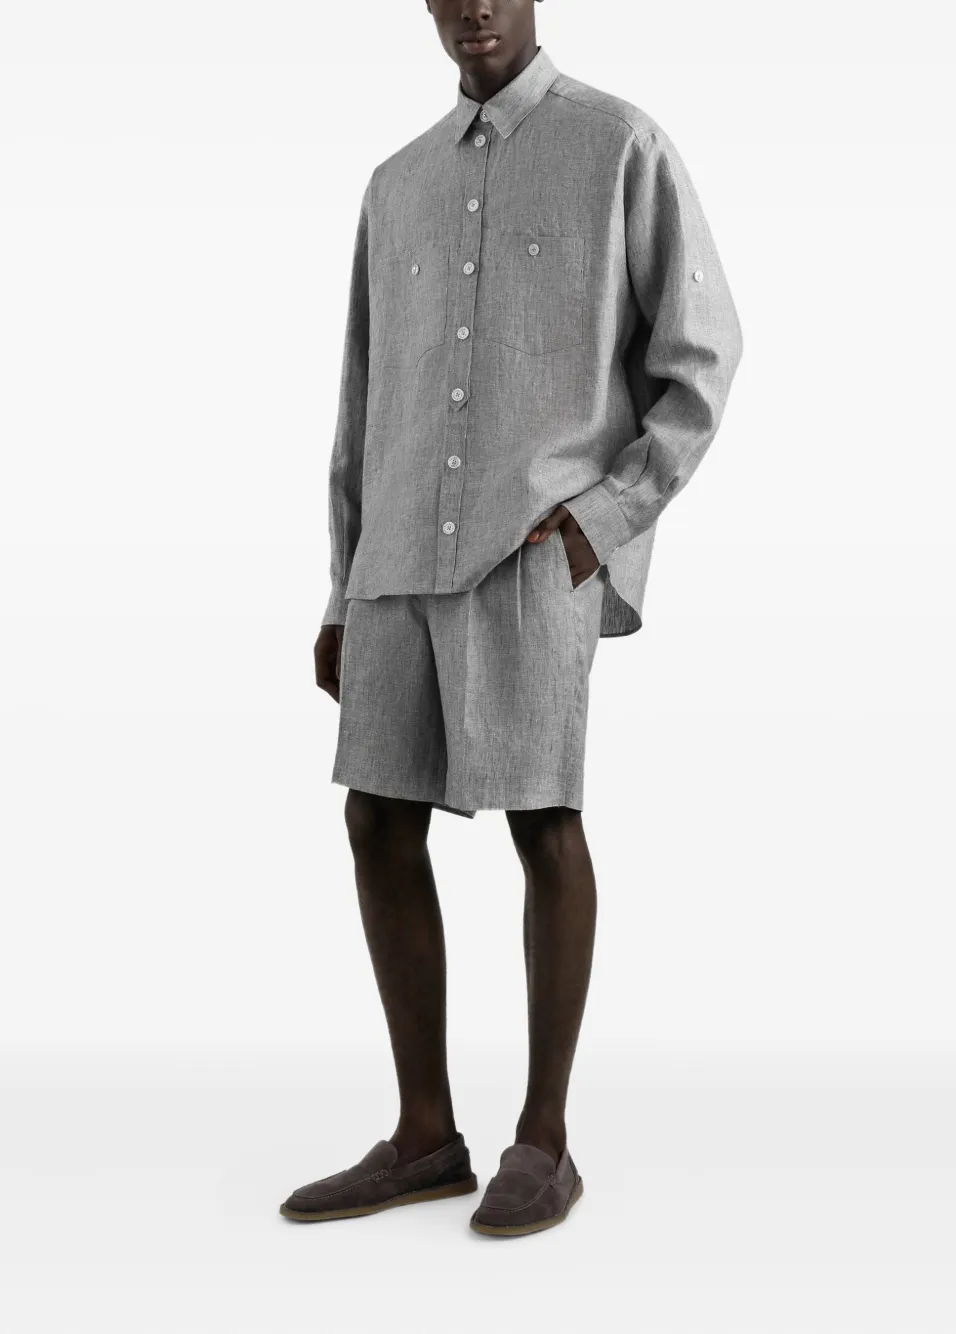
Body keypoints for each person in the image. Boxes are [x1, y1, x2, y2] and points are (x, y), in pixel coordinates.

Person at [282, 0, 742, 1238]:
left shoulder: (618, 144)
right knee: (376, 818)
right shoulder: (396, 185)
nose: (473, 6)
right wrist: (338, 585)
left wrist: (601, 519)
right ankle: (424, 1133)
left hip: (531, 550)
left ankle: (544, 1139)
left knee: (543, 819)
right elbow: (361, 398)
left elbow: (701, 356)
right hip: (393, 558)